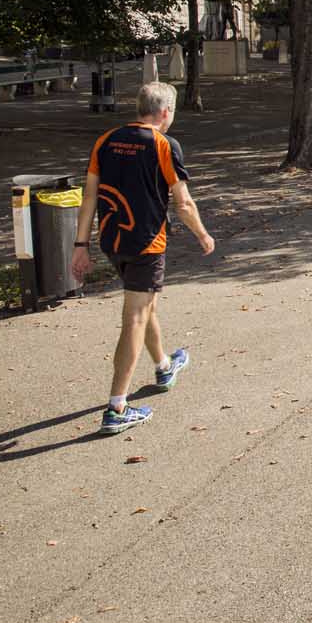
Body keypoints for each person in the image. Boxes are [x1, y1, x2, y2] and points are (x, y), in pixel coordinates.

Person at [70, 82, 216, 435]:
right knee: (135, 316)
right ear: (165, 111)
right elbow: (182, 202)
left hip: (112, 241)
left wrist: (80, 245)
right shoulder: (164, 144)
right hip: (146, 244)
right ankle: (117, 406)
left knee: (144, 303)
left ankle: (164, 365)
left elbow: (89, 196)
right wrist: (202, 234)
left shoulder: (106, 140)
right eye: (173, 113)